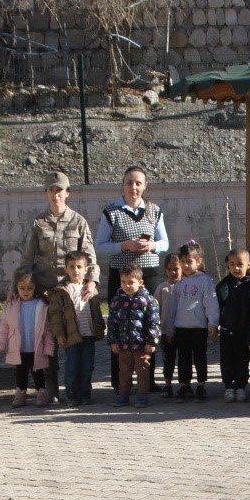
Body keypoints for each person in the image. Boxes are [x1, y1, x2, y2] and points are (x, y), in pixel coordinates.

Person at [23, 171, 98, 404]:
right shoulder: (38, 223)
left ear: (68, 193)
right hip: (46, 292)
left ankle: (77, 390)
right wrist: (18, 289)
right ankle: (50, 389)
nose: (56, 195)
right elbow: (27, 260)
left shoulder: (79, 222)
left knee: (74, 342)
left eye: (60, 190)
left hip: (70, 294)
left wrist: (92, 283)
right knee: (48, 343)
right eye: (51, 190)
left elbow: (90, 257)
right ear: (46, 193)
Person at [97, 166, 170, 388]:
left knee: (148, 325)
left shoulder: (154, 211)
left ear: (145, 186)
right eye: (129, 182)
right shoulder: (111, 212)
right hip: (122, 277)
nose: (134, 187)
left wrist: (152, 245)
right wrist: (124, 245)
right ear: (123, 185)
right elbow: (100, 246)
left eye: (138, 183)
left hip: (149, 275)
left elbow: (165, 243)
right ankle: (121, 380)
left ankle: (147, 381)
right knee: (121, 326)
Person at [48, 250, 105, 406]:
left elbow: (97, 312)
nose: (75, 270)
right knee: (72, 366)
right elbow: (55, 316)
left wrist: (99, 328)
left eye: (79, 267)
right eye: (71, 267)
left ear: (86, 269)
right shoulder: (62, 291)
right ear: (66, 269)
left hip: (88, 335)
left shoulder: (90, 289)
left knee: (87, 366)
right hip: (71, 336)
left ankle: (85, 394)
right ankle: (71, 395)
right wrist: (59, 334)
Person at [165, 242, 219, 400]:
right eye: (183, 262)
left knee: (200, 357)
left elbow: (211, 302)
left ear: (199, 261)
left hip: (199, 327)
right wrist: (170, 327)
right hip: (181, 327)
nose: (186, 265)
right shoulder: (179, 283)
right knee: (183, 358)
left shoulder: (205, 281)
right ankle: (184, 385)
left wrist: (213, 322)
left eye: (189, 261)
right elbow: (173, 306)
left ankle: (201, 384)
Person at [0, 271, 53, 408]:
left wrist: (49, 347)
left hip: (36, 347)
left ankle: (41, 392)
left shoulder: (41, 305)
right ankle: (20, 393)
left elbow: (48, 330)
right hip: (19, 347)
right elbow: (4, 327)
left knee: (37, 371)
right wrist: (0, 345)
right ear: (16, 288)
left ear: (35, 288)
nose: (25, 291)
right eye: (22, 288)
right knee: (20, 372)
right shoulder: (12, 305)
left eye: (29, 288)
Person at [108, 265, 161, 407]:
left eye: (131, 282)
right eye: (123, 282)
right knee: (124, 372)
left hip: (142, 345)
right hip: (124, 344)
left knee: (142, 370)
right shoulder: (116, 300)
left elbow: (153, 322)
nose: (127, 286)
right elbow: (112, 322)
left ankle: (142, 396)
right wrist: (113, 340)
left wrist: (151, 341)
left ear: (140, 282)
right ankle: (123, 395)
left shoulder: (148, 300)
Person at [216, 249, 250, 403]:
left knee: (242, 360)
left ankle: (241, 387)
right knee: (226, 360)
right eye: (232, 264)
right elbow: (217, 307)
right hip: (227, 330)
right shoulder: (223, 286)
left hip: (245, 332)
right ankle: (228, 386)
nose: (236, 268)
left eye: (240, 264)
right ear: (227, 265)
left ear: (248, 265)